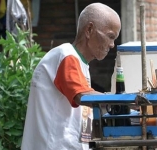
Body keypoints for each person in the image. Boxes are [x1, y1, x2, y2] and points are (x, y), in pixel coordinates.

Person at [21, 3, 121, 150]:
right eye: (110, 36)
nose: (112, 45)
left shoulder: (80, 64)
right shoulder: (66, 56)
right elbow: (83, 97)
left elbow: (84, 114)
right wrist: (124, 102)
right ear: (89, 30)